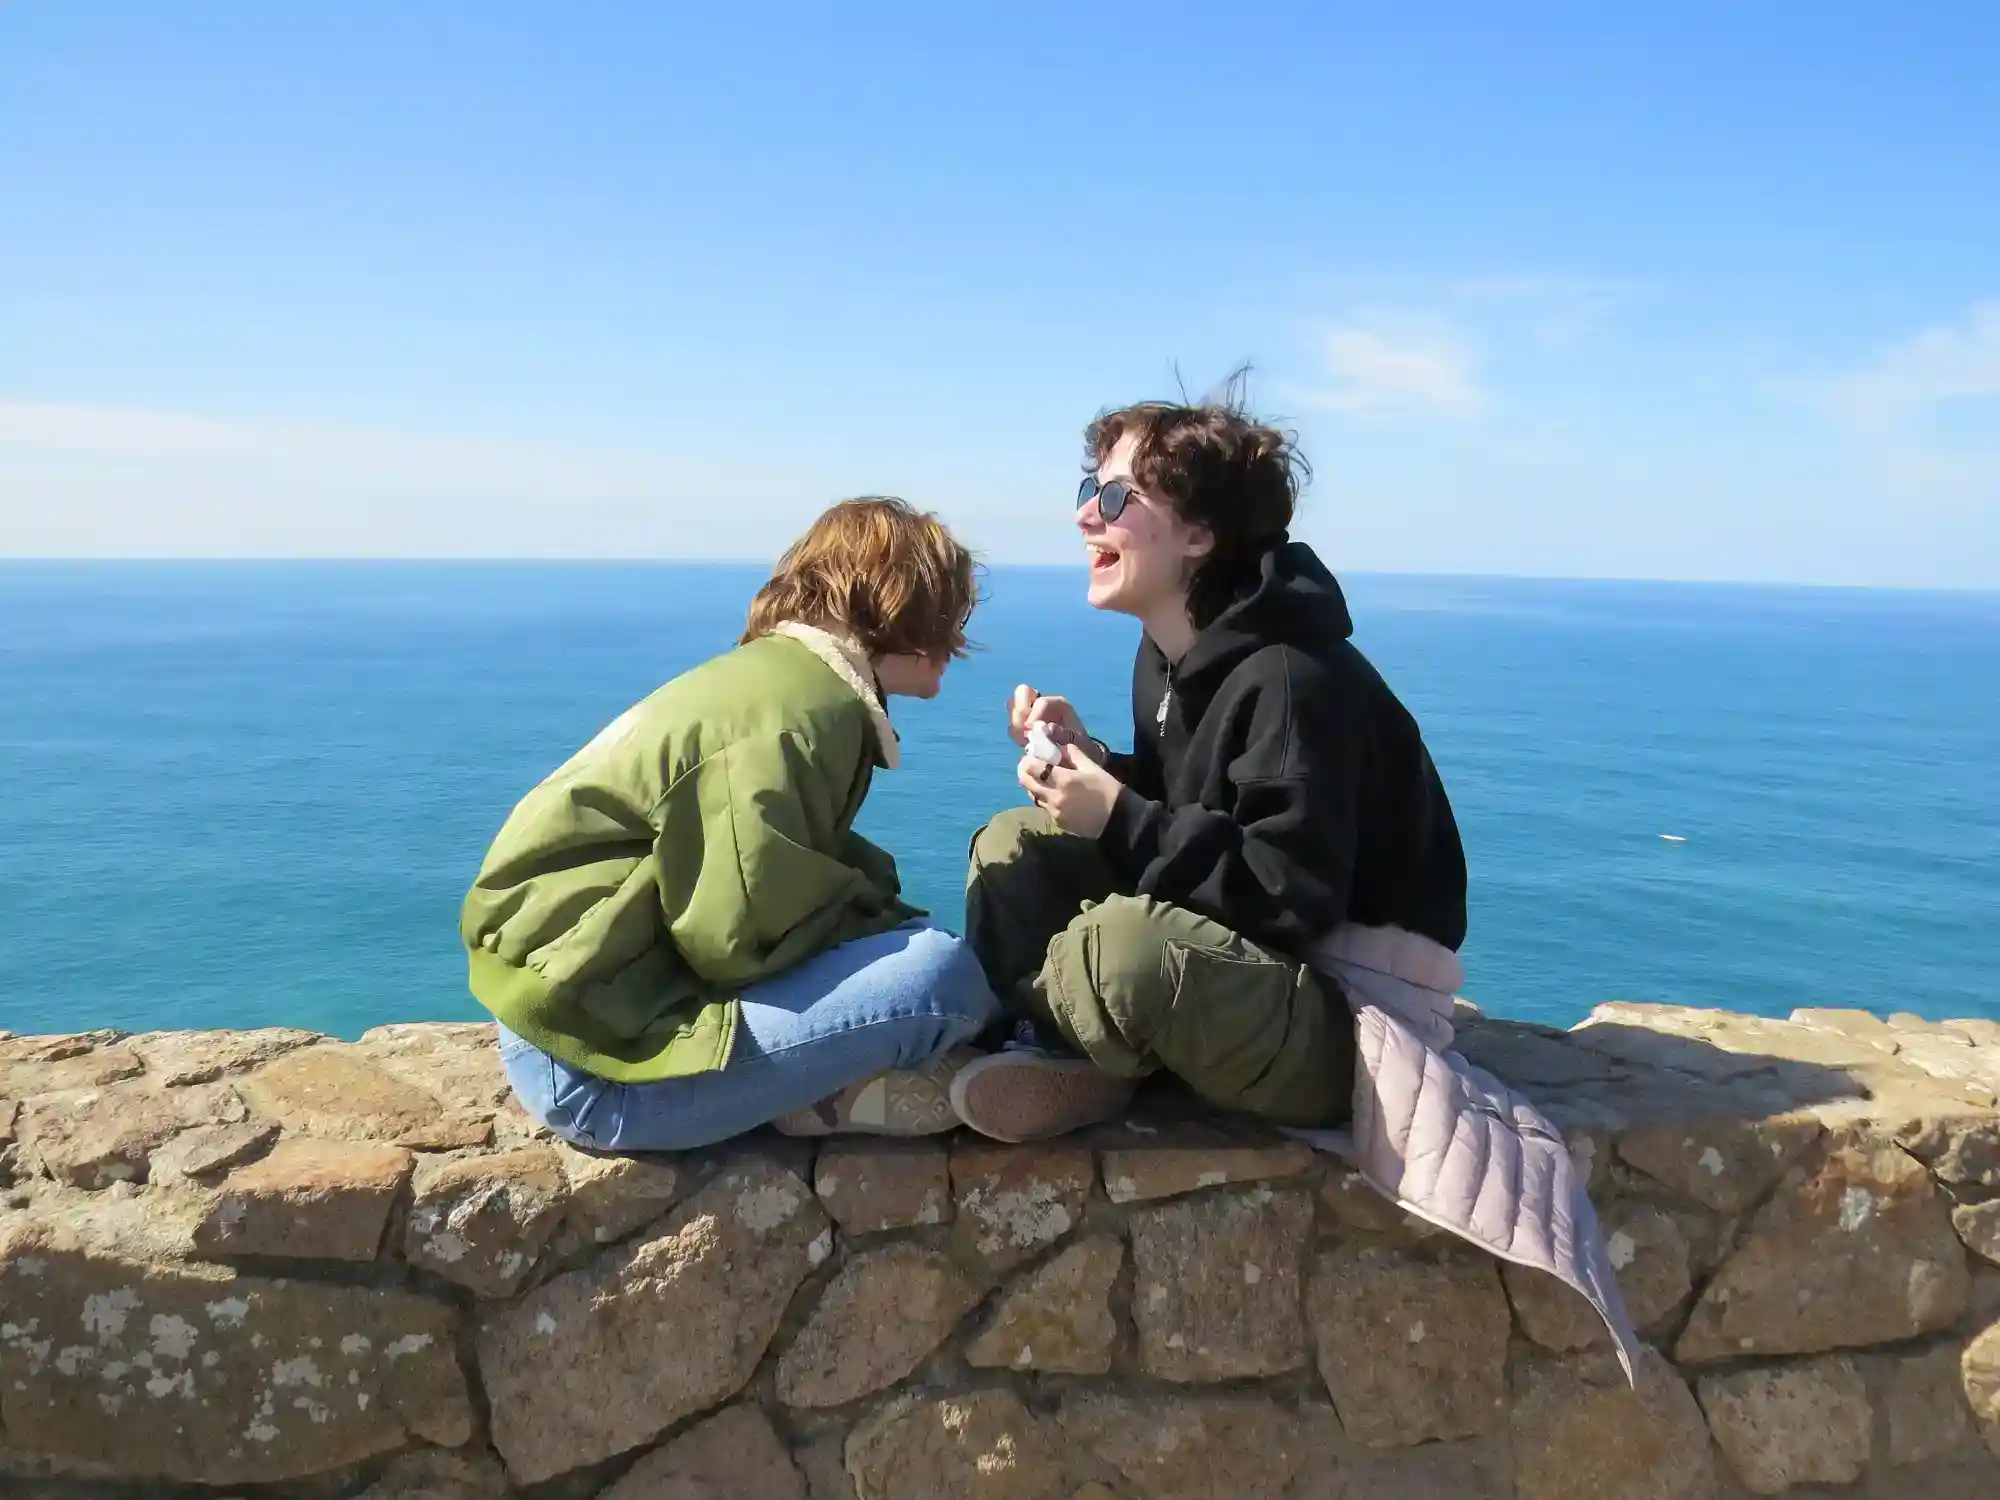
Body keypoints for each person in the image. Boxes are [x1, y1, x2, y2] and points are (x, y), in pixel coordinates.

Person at [950, 393, 1468, 1142]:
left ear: (1198, 534)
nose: (1085, 514)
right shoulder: (1170, 654)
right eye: (1090, 489)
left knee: (1126, 948)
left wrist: (1119, 817)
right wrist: (1099, 766)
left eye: (1116, 497)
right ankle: (1060, 1046)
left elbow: (1287, 896)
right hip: (1247, 969)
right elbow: (1198, 805)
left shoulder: (1292, 679)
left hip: (1350, 1016)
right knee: (1014, 844)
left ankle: (1084, 1056)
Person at [463, 497, 998, 1152]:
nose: (956, 635)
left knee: (909, 945)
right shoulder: (802, 713)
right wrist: (871, 917)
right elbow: (735, 939)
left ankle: (819, 1085)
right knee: (942, 980)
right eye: (950, 609)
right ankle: (830, 1097)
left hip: (582, 1024)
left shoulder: (777, 685)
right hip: (598, 1079)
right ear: (899, 603)